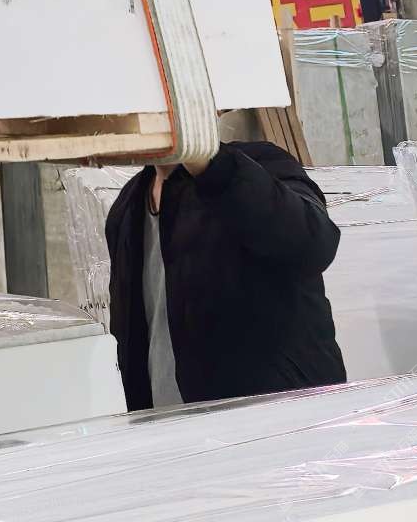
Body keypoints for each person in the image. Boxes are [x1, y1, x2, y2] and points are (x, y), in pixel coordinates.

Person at [105, 140, 344, 410]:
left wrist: (211, 164)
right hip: (171, 426)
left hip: (278, 419)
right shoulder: (127, 207)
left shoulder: (259, 163)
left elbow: (315, 245)